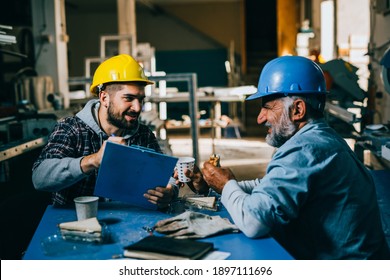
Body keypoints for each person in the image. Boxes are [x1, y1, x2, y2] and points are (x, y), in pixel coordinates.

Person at [187, 56, 390, 259]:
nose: (260, 118)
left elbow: (253, 222)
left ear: (298, 109)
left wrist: (226, 185)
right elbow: (269, 185)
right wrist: (214, 185)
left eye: (267, 107)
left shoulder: (305, 149)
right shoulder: (321, 137)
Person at [32, 54, 177, 209]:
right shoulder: (71, 128)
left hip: (129, 223)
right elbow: (40, 178)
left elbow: (164, 178)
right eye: (129, 98)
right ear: (104, 98)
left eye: (141, 99)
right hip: (74, 224)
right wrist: (94, 160)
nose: (137, 108)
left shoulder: (143, 135)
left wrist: (170, 191)